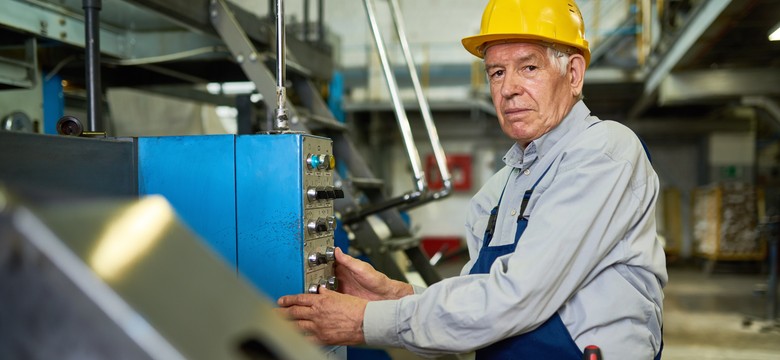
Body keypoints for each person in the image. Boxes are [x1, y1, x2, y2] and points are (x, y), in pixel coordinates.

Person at [277, 0, 667, 358]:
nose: (509, 88)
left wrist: (365, 322)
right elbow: (480, 297)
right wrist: (394, 296)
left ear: (574, 73)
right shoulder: (499, 190)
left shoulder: (604, 151)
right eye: (496, 72)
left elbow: (516, 299)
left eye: (528, 67)